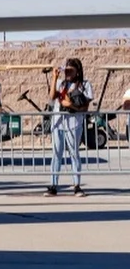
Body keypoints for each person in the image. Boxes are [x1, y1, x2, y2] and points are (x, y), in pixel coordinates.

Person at [46, 57, 92, 197]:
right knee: (56, 154)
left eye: (70, 71)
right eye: (66, 70)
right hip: (58, 123)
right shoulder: (61, 84)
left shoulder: (84, 85)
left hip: (74, 124)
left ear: (77, 72)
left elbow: (85, 107)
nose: (67, 73)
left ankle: (77, 185)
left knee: (74, 153)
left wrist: (70, 105)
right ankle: (53, 184)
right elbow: (52, 97)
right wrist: (54, 77)